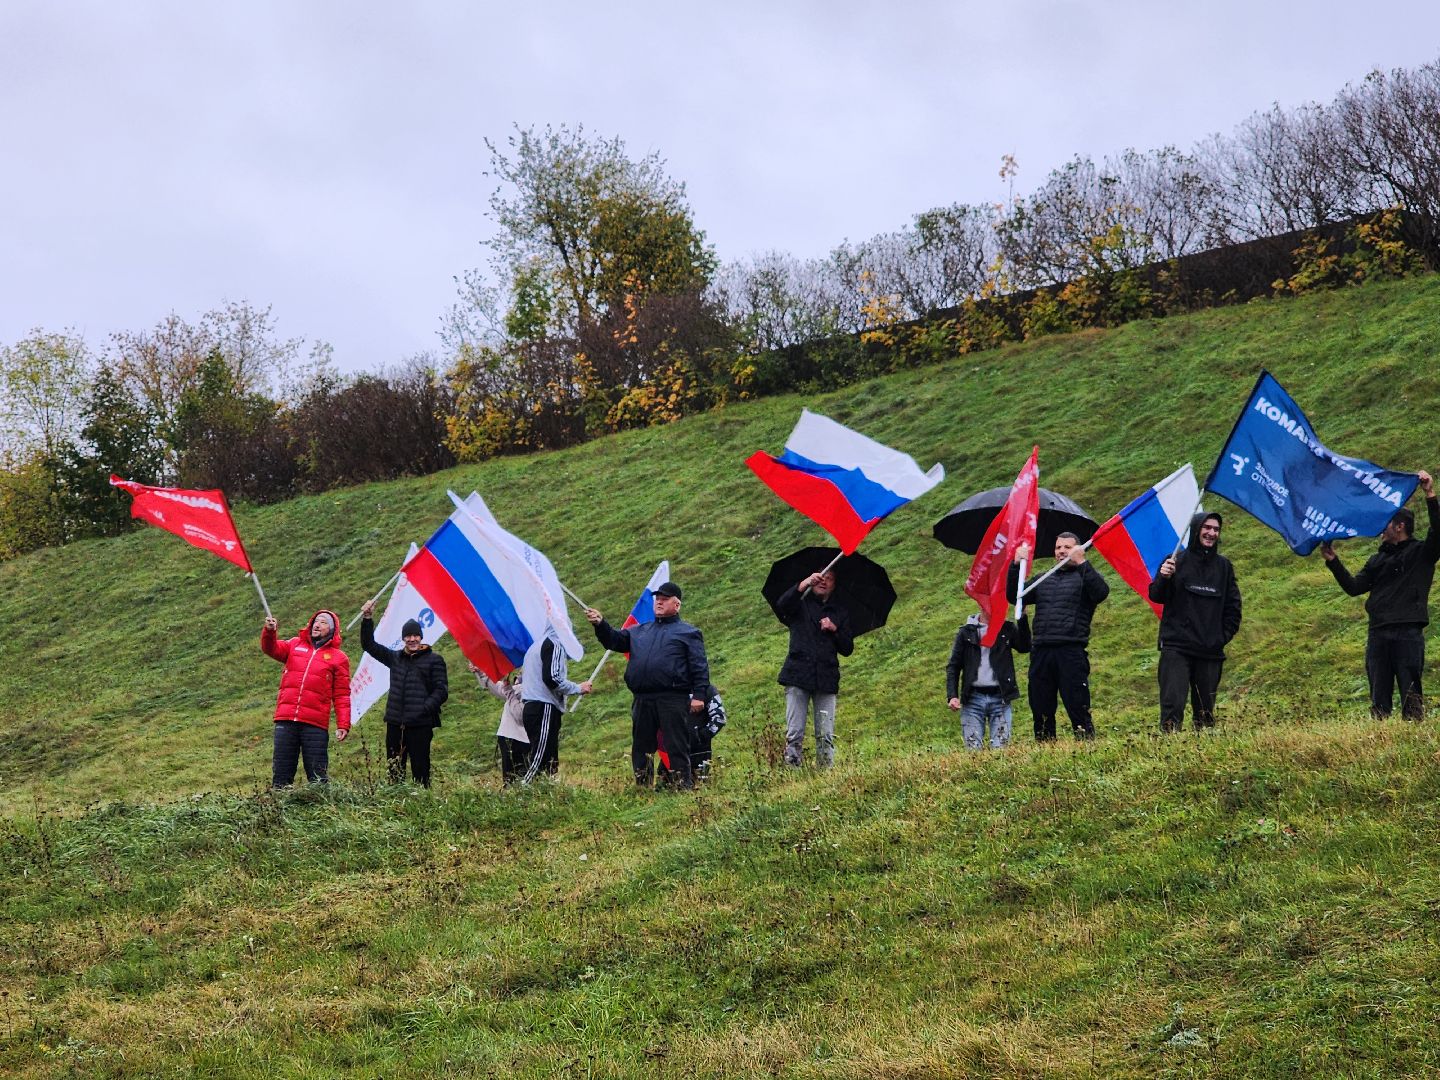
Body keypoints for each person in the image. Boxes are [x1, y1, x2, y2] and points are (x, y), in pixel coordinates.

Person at [1321, 469, 1439, 719]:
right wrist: (1333, 562)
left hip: (1408, 631)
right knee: (1379, 695)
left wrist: (1430, 494)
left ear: (1400, 526)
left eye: (1385, 522)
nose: (1380, 528)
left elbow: (1438, 534)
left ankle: (1413, 738)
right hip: (1378, 633)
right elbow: (1354, 587)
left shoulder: (1421, 554)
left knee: (1411, 693)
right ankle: (1379, 736)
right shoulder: (1378, 559)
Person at [586, 581, 710, 789]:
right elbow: (614, 641)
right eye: (657, 599)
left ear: (676, 604)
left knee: (676, 743)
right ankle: (642, 786)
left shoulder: (689, 633)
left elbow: (699, 666)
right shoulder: (638, 631)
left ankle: (682, 786)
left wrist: (699, 695)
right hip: (642, 698)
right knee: (642, 745)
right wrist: (601, 624)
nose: (659, 602)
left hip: (672, 697)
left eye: (664, 599)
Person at [1148, 512, 1243, 732]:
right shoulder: (1173, 561)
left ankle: (1204, 758)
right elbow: (1156, 595)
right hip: (1176, 648)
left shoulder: (1224, 567)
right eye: (1207, 528)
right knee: (1172, 709)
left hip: (1210, 651)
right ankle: (1170, 755)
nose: (1211, 533)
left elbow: (1233, 609)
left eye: (1216, 529)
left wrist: (1220, 638)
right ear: (1196, 529)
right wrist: (1164, 577)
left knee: (1205, 714)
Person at [1010, 532, 1109, 740]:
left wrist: (1082, 562)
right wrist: (1016, 565)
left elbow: (1101, 592)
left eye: (1067, 547)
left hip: (1071, 652)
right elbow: (1014, 595)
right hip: (1041, 652)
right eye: (1058, 548)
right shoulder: (1043, 579)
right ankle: (1046, 754)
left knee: (1078, 707)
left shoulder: (1085, 576)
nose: (1062, 551)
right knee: (1041, 709)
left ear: (1078, 549)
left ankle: (1086, 750)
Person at [359, 602, 448, 786]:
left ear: (421, 637)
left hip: (420, 725)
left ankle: (422, 804)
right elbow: (368, 645)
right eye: (408, 636)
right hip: (395, 724)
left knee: (420, 770)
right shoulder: (395, 658)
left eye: (415, 635)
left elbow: (442, 690)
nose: (412, 639)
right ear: (403, 638)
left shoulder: (434, 660)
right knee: (394, 770)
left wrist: (424, 709)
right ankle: (396, 806)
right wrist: (367, 618)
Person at [260, 609, 351, 787]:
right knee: (281, 774)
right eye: (316, 621)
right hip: (286, 720)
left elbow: (342, 694)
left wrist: (343, 724)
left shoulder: (339, 659)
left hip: (315, 725)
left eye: (324, 622)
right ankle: (279, 809)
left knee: (317, 776)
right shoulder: (294, 645)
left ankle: (321, 810)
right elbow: (270, 648)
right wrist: (270, 632)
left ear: (332, 630)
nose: (317, 624)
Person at [775, 567, 854, 768]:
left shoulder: (840, 612)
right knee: (795, 731)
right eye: (820, 577)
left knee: (825, 733)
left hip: (826, 678)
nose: (823, 581)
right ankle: (792, 770)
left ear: (834, 585)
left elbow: (847, 648)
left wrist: (834, 630)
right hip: (797, 675)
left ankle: (825, 773)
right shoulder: (799, 605)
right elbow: (782, 604)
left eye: (829, 578)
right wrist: (804, 584)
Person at [946, 605, 1031, 750]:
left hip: (1000, 698)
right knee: (973, 750)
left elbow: (1024, 646)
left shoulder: (1006, 628)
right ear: (982, 606)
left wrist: (1022, 617)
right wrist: (952, 695)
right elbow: (954, 665)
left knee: (1001, 750)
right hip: (972, 699)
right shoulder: (966, 632)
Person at [518, 625, 592, 782]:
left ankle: (546, 797)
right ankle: (522, 793)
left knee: (548, 761)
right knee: (541, 759)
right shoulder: (555, 643)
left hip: (532, 706)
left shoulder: (535, 646)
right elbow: (552, 678)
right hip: (544, 706)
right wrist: (578, 688)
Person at [471, 662, 528, 785]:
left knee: (520, 775)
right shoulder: (520, 683)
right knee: (510, 777)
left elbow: (519, 715)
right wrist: (482, 673)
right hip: (509, 735)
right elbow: (501, 689)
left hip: (523, 738)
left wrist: (509, 689)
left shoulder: (533, 688)